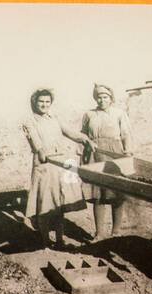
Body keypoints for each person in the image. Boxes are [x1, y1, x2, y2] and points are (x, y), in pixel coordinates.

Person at [22, 88, 92, 249]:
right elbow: (35, 141)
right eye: (41, 102)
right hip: (44, 164)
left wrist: (85, 139)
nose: (44, 105)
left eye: (47, 102)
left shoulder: (55, 118)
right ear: (35, 103)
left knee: (59, 202)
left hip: (60, 163)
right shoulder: (30, 121)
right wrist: (41, 151)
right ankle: (45, 241)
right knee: (45, 202)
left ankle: (60, 240)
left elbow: (70, 132)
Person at [80, 83, 133, 238]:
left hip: (114, 154)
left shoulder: (119, 113)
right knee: (98, 195)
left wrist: (128, 152)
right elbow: (82, 135)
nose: (101, 100)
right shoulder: (89, 114)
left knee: (117, 192)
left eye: (105, 97)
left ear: (111, 98)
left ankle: (116, 231)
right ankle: (99, 233)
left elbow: (126, 134)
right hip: (95, 155)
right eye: (99, 97)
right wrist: (82, 155)